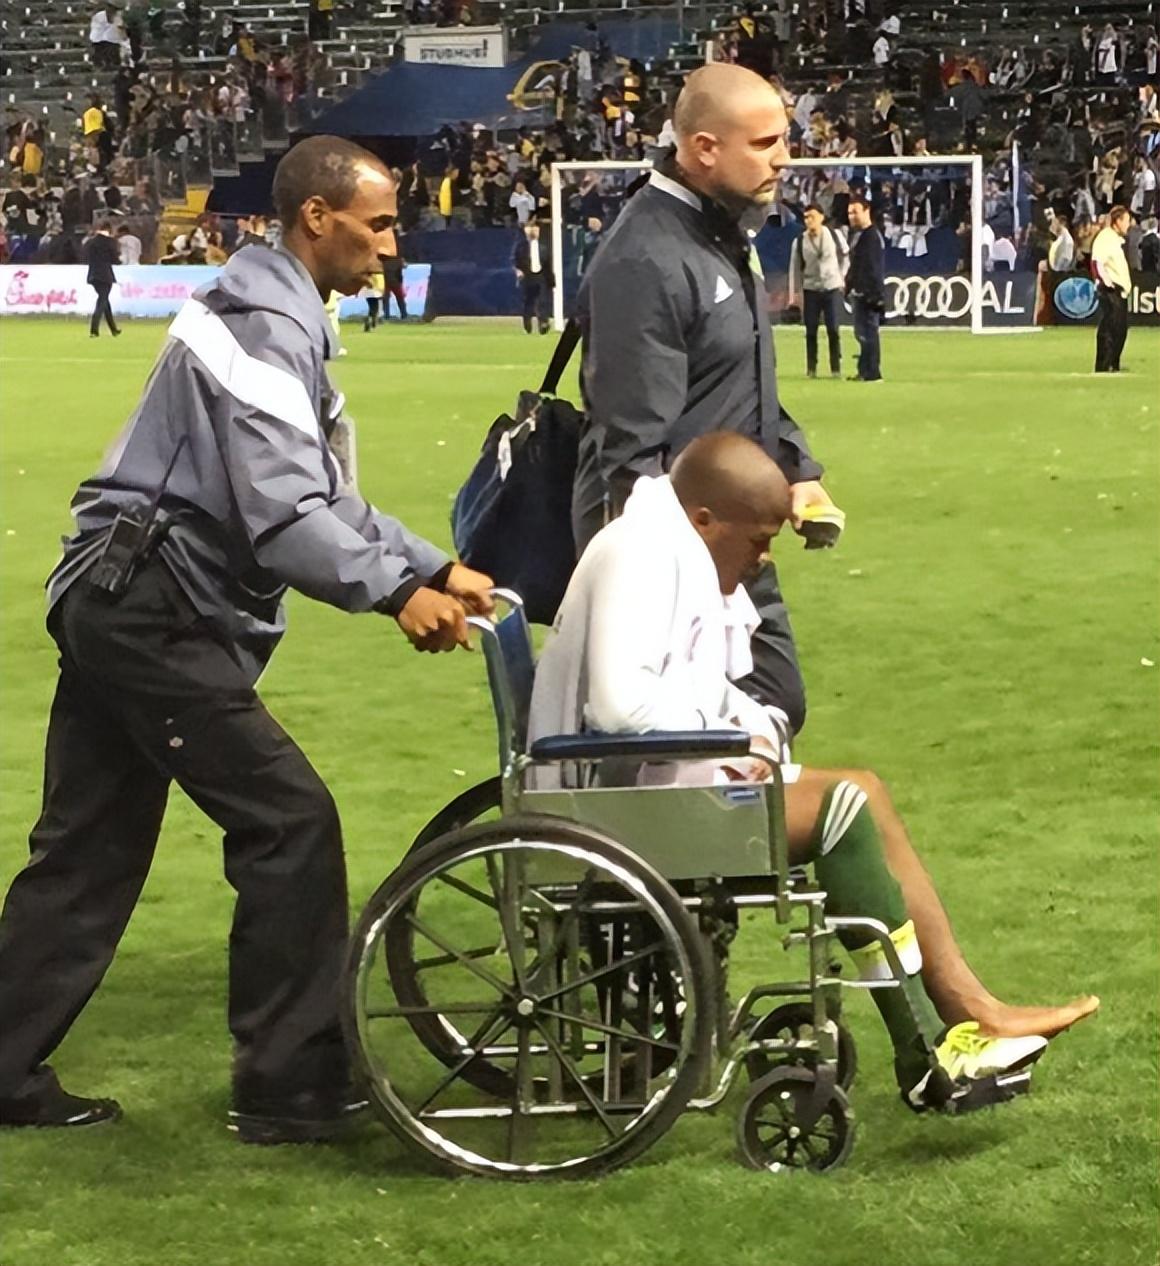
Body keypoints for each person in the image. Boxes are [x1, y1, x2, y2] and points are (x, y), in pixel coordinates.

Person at [0, 136, 495, 1141]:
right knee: (289, 822)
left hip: (120, 594)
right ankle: (287, 1085)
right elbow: (287, 513)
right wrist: (396, 592)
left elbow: (326, 497)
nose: (389, 244)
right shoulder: (266, 323)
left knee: (88, 850)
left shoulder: (267, 309)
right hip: (153, 608)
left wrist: (431, 567)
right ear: (317, 217)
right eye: (377, 224)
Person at [528, 432, 1099, 1109]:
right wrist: (735, 738)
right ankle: (925, 1052)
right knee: (842, 811)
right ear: (706, 519)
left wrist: (756, 727)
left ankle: (972, 1010)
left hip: (630, 788)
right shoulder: (642, 555)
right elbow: (619, 708)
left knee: (866, 790)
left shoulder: (665, 541)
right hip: (609, 808)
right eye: (758, 540)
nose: (764, 558)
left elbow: (688, 688)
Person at [572, 62, 839, 744]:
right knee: (744, 717)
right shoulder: (647, 258)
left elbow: (740, 379)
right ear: (704, 149)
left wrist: (796, 468)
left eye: (784, 139)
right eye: (765, 142)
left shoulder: (717, 233)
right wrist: (668, 586)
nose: (784, 158)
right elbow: (630, 455)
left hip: (726, 533)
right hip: (687, 548)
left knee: (771, 707)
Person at [788, 203, 846, 379]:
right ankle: (811, 368)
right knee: (811, 330)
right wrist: (794, 293)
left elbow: (845, 255)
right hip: (811, 288)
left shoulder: (835, 235)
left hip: (831, 287)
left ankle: (835, 368)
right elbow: (794, 269)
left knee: (833, 329)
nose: (809, 220)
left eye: (812, 216)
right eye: (806, 217)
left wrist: (841, 276)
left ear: (821, 217)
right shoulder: (799, 241)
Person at [845, 195, 885, 383]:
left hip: (867, 294)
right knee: (862, 334)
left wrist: (875, 295)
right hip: (860, 292)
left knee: (868, 333)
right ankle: (864, 371)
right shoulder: (860, 235)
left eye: (855, 212)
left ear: (867, 211)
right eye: (849, 213)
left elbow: (873, 268)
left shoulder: (872, 236)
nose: (852, 216)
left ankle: (872, 372)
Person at [1091, 205, 1132, 373]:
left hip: (1119, 291)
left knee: (1119, 330)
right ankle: (1104, 365)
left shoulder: (1115, 239)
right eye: (1127, 221)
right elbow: (1097, 262)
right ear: (1118, 221)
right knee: (1110, 328)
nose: (1129, 224)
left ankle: (1113, 363)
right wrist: (1107, 283)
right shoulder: (1105, 238)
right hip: (1111, 290)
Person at [512, 220, 552, 334]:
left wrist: (551, 280)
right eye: (532, 230)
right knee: (528, 302)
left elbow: (548, 264)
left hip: (541, 276)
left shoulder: (543, 247)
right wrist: (518, 271)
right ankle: (527, 324)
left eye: (536, 230)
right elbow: (514, 260)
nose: (534, 232)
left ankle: (543, 323)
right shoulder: (521, 246)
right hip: (528, 276)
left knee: (542, 300)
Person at [84, 220, 121, 338]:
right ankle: (94, 329)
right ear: (109, 229)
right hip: (105, 275)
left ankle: (113, 329)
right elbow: (115, 259)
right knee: (102, 301)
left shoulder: (91, 242)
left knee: (104, 301)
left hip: (93, 274)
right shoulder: (110, 242)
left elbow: (85, 255)